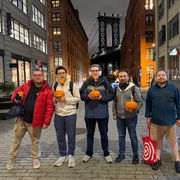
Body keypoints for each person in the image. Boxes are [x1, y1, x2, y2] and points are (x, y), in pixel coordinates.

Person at [6, 70, 54, 170]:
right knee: (16, 140)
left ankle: (35, 158)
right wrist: (15, 98)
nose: (37, 77)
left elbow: (50, 108)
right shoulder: (25, 86)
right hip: (22, 119)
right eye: (35, 75)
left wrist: (46, 122)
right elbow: (14, 95)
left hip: (36, 122)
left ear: (43, 76)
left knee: (35, 141)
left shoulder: (48, 91)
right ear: (33, 77)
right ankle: (11, 159)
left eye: (40, 75)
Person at [145, 70, 180, 173]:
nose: (161, 77)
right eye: (159, 75)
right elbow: (148, 104)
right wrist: (148, 116)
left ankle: (177, 160)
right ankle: (157, 159)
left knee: (173, 141)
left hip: (170, 121)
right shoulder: (151, 90)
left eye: (163, 75)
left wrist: (179, 118)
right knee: (158, 140)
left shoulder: (173, 88)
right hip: (156, 121)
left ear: (166, 76)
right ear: (156, 78)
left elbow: (178, 103)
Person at [80, 64, 114, 164]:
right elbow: (81, 95)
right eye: (93, 71)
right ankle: (88, 153)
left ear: (99, 72)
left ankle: (106, 154)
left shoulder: (105, 82)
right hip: (89, 114)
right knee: (90, 134)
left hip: (102, 113)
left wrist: (102, 98)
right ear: (90, 72)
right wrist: (88, 97)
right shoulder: (86, 83)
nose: (94, 72)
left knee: (104, 135)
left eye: (96, 70)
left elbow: (111, 94)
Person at [112, 70, 143, 164]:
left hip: (131, 117)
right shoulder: (116, 88)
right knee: (121, 136)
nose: (122, 78)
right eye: (120, 76)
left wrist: (135, 109)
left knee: (133, 137)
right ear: (118, 78)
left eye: (124, 76)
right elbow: (114, 102)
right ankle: (122, 154)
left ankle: (135, 156)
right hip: (120, 117)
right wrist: (114, 113)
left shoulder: (133, 88)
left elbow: (140, 101)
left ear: (128, 77)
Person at [53, 66, 80, 168]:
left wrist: (66, 99)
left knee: (71, 136)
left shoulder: (72, 85)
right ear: (57, 75)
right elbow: (52, 98)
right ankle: (62, 155)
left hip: (70, 114)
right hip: (58, 114)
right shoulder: (55, 85)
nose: (61, 75)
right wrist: (55, 100)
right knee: (60, 136)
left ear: (66, 74)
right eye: (59, 73)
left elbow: (78, 98)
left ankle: (71, 155)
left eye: (63, 73)